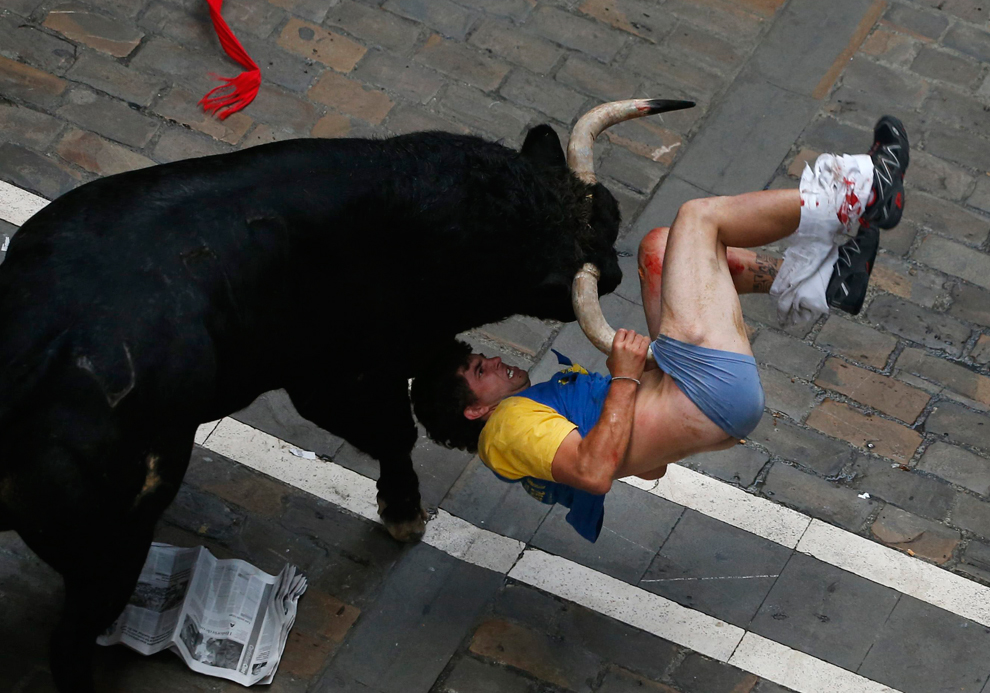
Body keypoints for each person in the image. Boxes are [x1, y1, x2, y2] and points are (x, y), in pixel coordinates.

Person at [412, 117, 910, 541]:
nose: (495, 361)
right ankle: (859, 195)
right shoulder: (506, 429)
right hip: (705, 391)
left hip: (700, 399)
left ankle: (825, 285)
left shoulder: (530, 425)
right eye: (480, 369)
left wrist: (652, 415)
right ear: (476, 408)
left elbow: (649, 466)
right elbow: (593, 471)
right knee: (699, 218)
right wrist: (627, 377)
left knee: (660, 249)